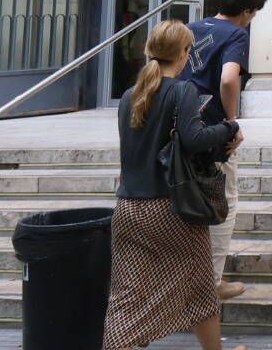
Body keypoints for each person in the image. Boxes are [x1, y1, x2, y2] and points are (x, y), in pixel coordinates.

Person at [103, 20, 242, 350]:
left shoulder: (127, 97)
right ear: (183, 53)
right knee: (201, 289)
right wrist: (228, 128)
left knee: (126, 295)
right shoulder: (183, 91)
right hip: (170, 208)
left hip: (127, 208)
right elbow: (194, 140)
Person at [184, 0, 266, 301]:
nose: (253, 17)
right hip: (213, 134)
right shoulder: (236, 34)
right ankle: (211, 281)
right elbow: (229, 78)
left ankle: (189, 277)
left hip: (180, 127)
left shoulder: (190, 28)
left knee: (185, 201)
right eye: (255, 12)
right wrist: (232, 121)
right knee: (224, 203)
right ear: (246, 11)